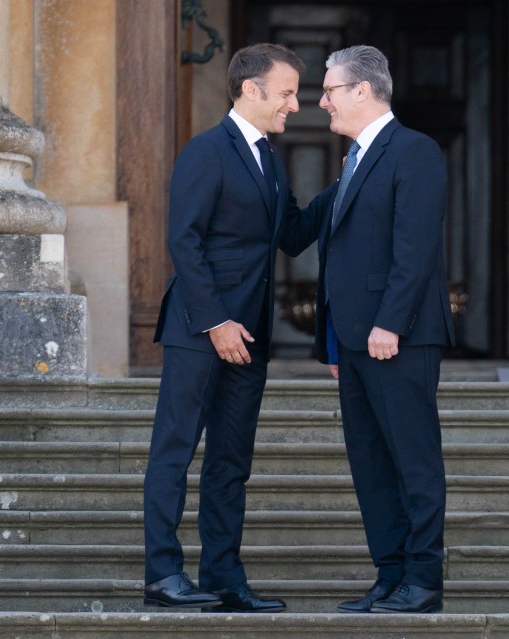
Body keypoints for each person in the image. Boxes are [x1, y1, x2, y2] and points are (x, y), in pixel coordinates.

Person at [284, 45, 455, 614]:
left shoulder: (415, 151)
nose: (321, 102)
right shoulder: (355, 161)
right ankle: (390, 574)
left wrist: (390, 324)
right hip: (352, 343)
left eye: (329, 90)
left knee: (412, 459)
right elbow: (304, 231)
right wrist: (251, 157)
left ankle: (423, 580)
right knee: (370, 464)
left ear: (362, 90)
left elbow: (415, 249)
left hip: (395, 337)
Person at [142, 42, 306, 613]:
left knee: (231, 460)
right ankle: (163, 575)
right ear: (250, 89)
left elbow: (291, 234)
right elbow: (184, 241)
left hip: (251, 336)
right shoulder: (206, 151)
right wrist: (216, 323)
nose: (295, 104)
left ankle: (223, 576)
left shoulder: (272, 159)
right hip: (199, 328)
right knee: (175, 450)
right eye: (286, 92)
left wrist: (353, 180)